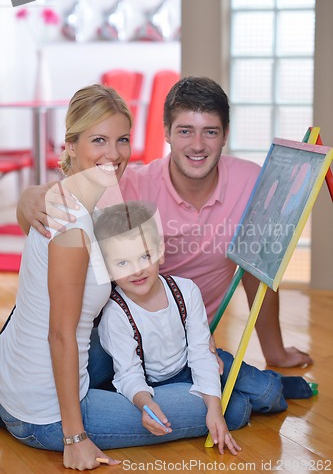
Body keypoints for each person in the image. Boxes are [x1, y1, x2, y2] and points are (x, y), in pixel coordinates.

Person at [16, 77, 313, 368]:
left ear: (225, 134)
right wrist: (27, 200)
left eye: (210, 132)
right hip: (119, 340)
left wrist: (275, 353)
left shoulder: (250, 182)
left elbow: (257, 270)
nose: (197, 145)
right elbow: (60, 222)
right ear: (167, 133)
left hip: (187, 343)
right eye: (185, 131)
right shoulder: (127, 185)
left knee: (249, 397)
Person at [0, 84, 211, 472]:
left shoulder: (69, 197)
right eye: (99, 140)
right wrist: (75, 438)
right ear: (70, 145)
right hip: (43, 414)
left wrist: (28, 198)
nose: (114, 154)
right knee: (224, 406)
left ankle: (204, 365)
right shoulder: (73, 224)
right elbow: (60, 334)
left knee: (180, 360)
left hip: (17, 379)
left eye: (122, 140)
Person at [93, 201, 314, 454]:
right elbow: (127, 373)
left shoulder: (185, 290)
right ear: (107, 269)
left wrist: (212, 405)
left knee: (268, 392)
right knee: (236, 411)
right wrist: (145, 404)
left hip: (198, 362)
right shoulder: (114, 315)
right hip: (162, 386)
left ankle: (281, 384)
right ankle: (239, 396)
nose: (137, 270)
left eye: (145, 256)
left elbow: (200, 351)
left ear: (160, 252)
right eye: (122, 263)